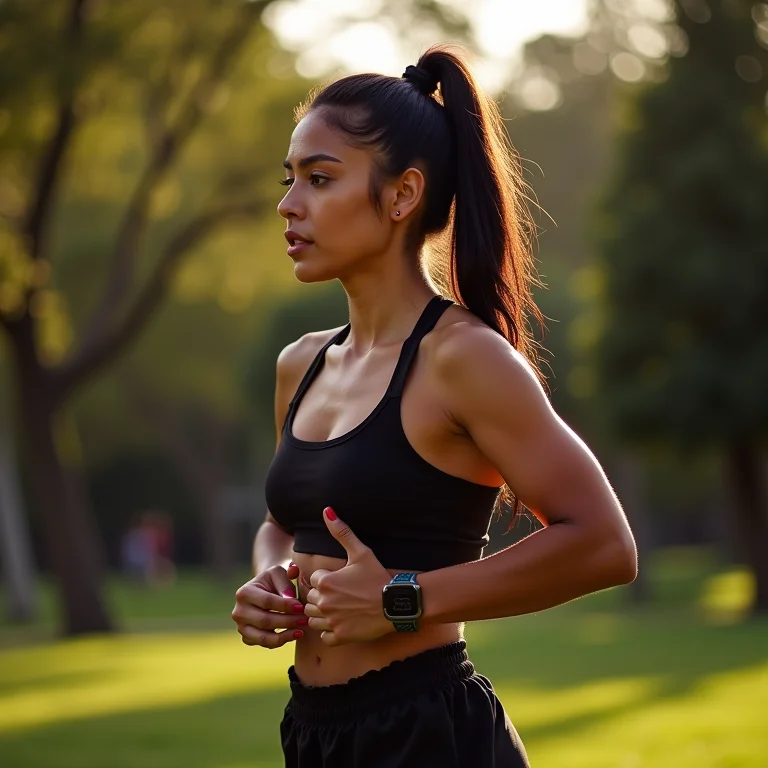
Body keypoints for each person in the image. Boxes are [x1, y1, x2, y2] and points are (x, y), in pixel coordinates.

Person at [232, 44, 637, 767]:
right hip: (315, 735)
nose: (288, 204)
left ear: (402, 195)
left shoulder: (464, 359)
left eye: (319, 179)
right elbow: (284, 523)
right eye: (289, 179)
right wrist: (269, 577)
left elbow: (605, 545)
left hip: (429, 735)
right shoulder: (301, 364)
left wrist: (401, 598)